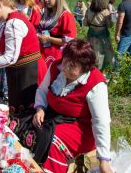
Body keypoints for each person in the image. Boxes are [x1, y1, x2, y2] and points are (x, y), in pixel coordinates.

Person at [12, 39, 112, 173]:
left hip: (79, 126)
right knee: (19, 123)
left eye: (72, 66)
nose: (65, 68)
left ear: (84, 68)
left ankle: (44, 169)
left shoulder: (96, 84)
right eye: (65, 61)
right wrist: (40, 108)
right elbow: (42, 90)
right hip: (52, 114)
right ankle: (19, 163)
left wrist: (104, 160)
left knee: (50, 142)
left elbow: (101, 122)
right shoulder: (56, 67)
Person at [38, 0, 77, 68]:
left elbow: (69, 41)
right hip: (43, 54)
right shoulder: (46, 14)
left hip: (57, 57)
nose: (46, 0)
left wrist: (49, 39)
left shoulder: (65, 16)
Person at [83, 0, 114, 71]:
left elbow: (85, 23)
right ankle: (101, 73)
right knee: (103, 55)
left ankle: (91, 72)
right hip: (103, 37)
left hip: (91, 35)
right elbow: (110, 25)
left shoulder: (88, 10)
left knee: (91, 54)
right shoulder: (106, 12)